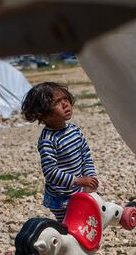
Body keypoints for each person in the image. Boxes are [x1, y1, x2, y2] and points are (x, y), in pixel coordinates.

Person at [21, 81, 99, 221]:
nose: (65, 104)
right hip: (61, 197)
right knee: (69, 226)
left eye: (66, 99)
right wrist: (78, 180)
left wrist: (90, 176)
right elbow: (50, 172)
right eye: (57, 102)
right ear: (42, 113)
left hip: (79, 189)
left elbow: (85, 155)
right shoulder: (48, 140)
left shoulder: (74, 130)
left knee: (86, 220)